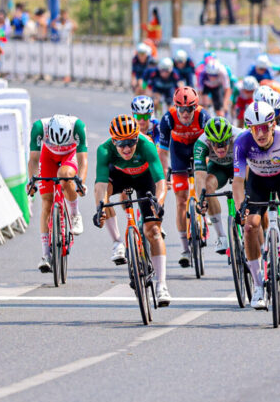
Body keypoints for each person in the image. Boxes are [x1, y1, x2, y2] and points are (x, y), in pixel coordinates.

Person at [233, 102, 280, 308]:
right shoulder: (242, 142)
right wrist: (240, 209)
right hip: (257, 181)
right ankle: (258, 286)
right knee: (250, 226)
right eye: (255, 128)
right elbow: (238, 182)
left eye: (264, 127)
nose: (260, 133)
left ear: (273, 125)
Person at [94, 115, 170, 305]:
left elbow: (160, 181)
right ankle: (117, 243)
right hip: (119, 176)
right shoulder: (104, 150)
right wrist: (99, 209)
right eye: (121, 144)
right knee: (104, 198)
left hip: (145, 179)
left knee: (153, 230)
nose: (127, 148)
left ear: (137, 138)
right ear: (114, 141)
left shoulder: (147, 145)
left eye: (131, 142)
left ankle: (162, 285)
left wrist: (159, 203)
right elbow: (100, 185)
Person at [27, 115, 89, 271]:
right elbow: (33, 159)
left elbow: (83, 160)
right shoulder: (39, 128)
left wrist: (80, 182)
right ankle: (45, 255)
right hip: (48, 156)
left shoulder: (78, 126)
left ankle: (75, 214)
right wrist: (32, 181)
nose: (59, 145)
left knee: (64, 175)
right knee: (46, 203)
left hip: (70, 155)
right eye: (55, 142)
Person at [158, 86, 211, 268]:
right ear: (176, 107)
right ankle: (185, 249)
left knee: (203, 184)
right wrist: (165, 174)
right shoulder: (168, 119)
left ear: (195, 107)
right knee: (181, 201)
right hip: (179, 152)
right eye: (182, 109)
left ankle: (203, 211)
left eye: (189, 109)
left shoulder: (203, 116)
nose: (186, 113)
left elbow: (212, 146)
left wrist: (208, 167)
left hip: (199, 149)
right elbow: (162, 152)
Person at [194, 116, 243, 254]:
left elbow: (250, 167)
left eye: (224, 142)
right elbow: (199, 175)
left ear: (230, 138)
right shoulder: (201, 143)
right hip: (217, 168)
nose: (220, 148)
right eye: (215, 144)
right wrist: (201, 199)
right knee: (207, 186)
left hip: (238, 165)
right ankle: (221, 236)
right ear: (209, 141)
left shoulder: (240, 136)